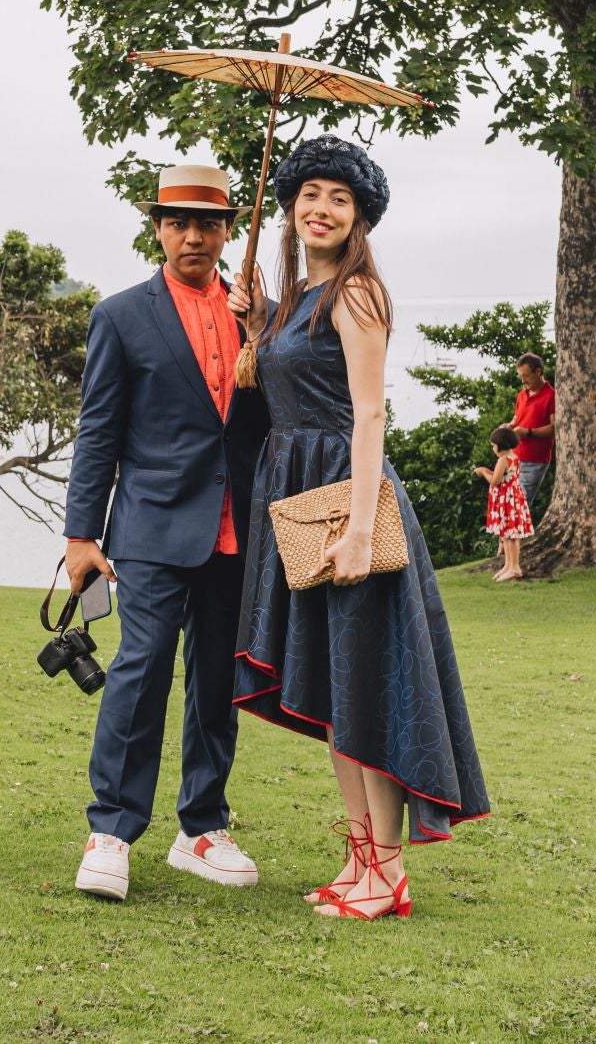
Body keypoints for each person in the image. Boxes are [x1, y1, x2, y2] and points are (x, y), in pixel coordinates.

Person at [228, 135, 489, 923]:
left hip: (347, 496)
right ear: (289, 208)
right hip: (295, 497)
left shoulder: (358, 294)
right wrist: (258, 320)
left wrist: (358, 528)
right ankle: (361, 860)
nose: (322, 208)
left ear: (360, 217)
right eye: (310, 194)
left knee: (366, 684)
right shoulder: (298, 301)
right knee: (336, 686)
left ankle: (386, 872)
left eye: (340, 199)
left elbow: (369, 412)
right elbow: (291, 377)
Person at [63, 164, 271, 901]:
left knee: (218, 678)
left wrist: (261, 335)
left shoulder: (261, 315)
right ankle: (112, 831)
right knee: (141, 668)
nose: (193, 236)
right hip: (149, 526)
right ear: (157, 228)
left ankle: (203, 827)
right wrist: (81, 536)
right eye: (178, 222)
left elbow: (279, 419)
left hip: (237, 531)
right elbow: (97, 433)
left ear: (227, 232)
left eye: (208, 223)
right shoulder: (121, 315)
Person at [474, 427, 533, 580]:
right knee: (506, 534)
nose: (493, 448)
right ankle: (508, 565)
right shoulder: (514, 457)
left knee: (511, 535)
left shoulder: (503, 460)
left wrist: (483, 473)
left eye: (493, 445)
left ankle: (515, 567)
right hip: (512, 498)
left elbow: (495, 481)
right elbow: (504, 476)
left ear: (500, 444)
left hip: (507, 500)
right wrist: (488, 470)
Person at [503, 353, 555, 510]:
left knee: (519, 504)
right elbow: (517, 418)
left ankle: (516, 535)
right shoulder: (522, 395)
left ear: (538, 372)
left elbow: (555, 428)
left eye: (526, 376)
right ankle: (511, 535)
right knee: (508, 502)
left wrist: (528, 432)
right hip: (515, 456)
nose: (523, 381)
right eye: (521, 377)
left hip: (535, 459)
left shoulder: (552, 395)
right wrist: (509, 426)